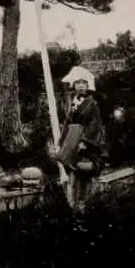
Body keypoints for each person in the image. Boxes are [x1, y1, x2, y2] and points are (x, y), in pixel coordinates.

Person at [54, 66, 106, 211]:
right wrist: (60, 143)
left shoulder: (92, 103)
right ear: (74, 85)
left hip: (85, 142)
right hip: (72, 139)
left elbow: (95, 123)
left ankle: (84, 203)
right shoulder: (73, 102)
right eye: (78, 83)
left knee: (84, 171)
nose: (81, 85)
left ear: (88, 85)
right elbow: (67, 123)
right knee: (71, 170)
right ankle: (71, 203)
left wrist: (85, 141)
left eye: (84, 82)